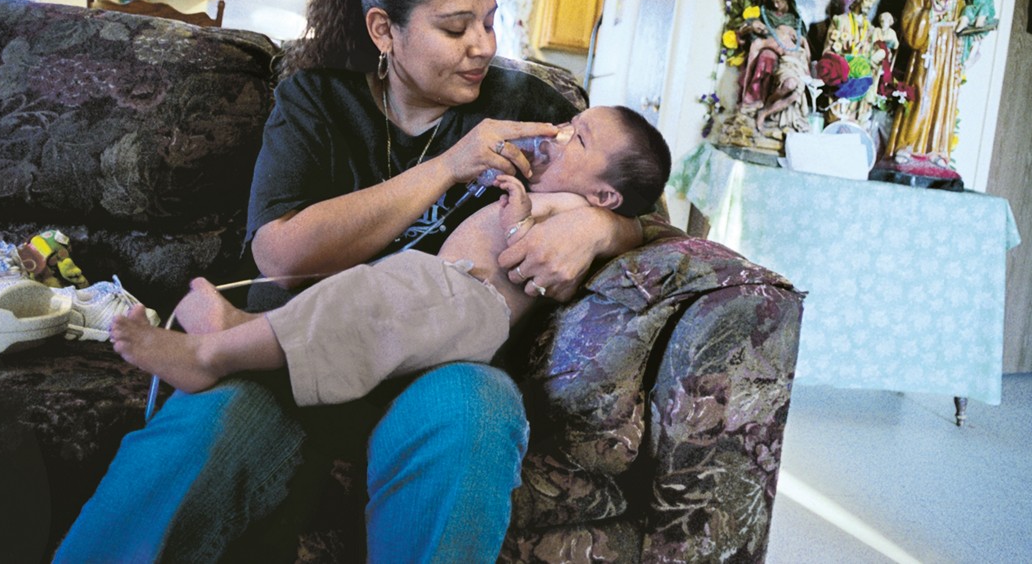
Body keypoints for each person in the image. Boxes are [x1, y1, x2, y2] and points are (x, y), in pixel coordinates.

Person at [55, 0, 648, 563]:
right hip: (288, 348)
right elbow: (280, 256)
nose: (483, 45)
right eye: (455, 28)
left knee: (477, 412)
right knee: (202, 433)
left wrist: (599, 227)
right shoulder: (317, 98)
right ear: (384, 32)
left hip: (437, 371)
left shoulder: (522, 103)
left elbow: (634, 197)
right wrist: (449, 165)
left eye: (490, 21)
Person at [109, 106, 671, 405]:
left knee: (365, 304)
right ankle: (241, 329)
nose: (558, 131)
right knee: (354, 300)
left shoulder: (572, 205)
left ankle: (212, 357)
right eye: (572, 123)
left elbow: (553, 270)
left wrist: (535, 216)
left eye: (579, 137)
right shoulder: (556, 185)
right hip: (442, 291)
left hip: (470, 305)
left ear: (606, 195)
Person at [885, 0, 973, 166]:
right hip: (929, 49)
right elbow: (908, 21)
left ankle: (936, 150)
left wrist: (966, 17)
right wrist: (929, 14)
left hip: (949, 50)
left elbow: (970, 9)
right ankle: (907, 144)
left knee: (943, 96)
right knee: (922, 93)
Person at [737, 0, 811, 132]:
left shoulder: (796, 21)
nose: (776, 5)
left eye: (780, 1)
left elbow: (802, 43)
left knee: (792, 83)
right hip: (768, 48)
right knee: (767, 57)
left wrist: (795, 37)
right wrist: (753, 26)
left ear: (788, 2)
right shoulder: (765, 15)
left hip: (790, 58)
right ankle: (756, 98)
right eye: (774, 1)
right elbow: (747, 32)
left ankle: (768, 107)